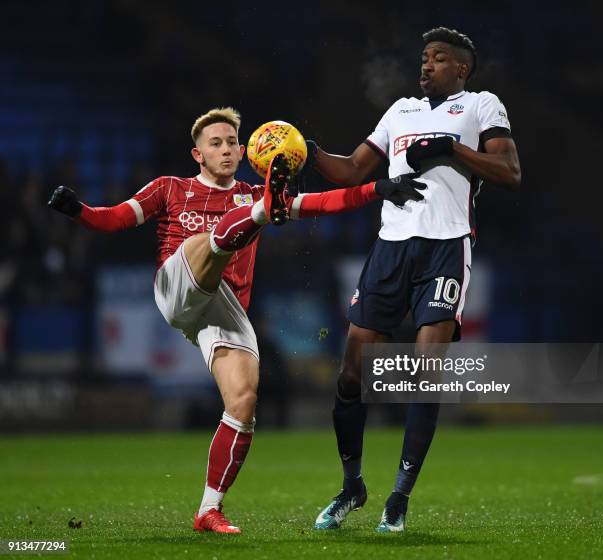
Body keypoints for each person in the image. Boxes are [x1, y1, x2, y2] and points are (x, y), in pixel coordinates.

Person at [47, 107, 427, 534]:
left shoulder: (246, 193)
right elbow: (114, 218)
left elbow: (323, 202)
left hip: (222, 309)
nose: (226, 149)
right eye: (216, 143)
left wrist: (379, 188)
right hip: (178, 286)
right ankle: (264, 213)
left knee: (243, 402)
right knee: (208, 241)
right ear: (198, 154)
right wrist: (77, 210)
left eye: (232, 142)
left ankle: (209, 510)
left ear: (244, 150)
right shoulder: (170, 189)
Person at [308, 27, 521, 532]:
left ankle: (398, 500)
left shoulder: (481, 105)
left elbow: (510, 170)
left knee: (426, 375)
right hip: (391, 248)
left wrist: (451, 149)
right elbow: (350, 171)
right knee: (351, 374)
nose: (426, 65)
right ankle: (351, 486)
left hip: (446, 248)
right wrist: (305, 150)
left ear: (461, 68)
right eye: (424, 58)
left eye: (439, 58)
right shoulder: (399, 111)